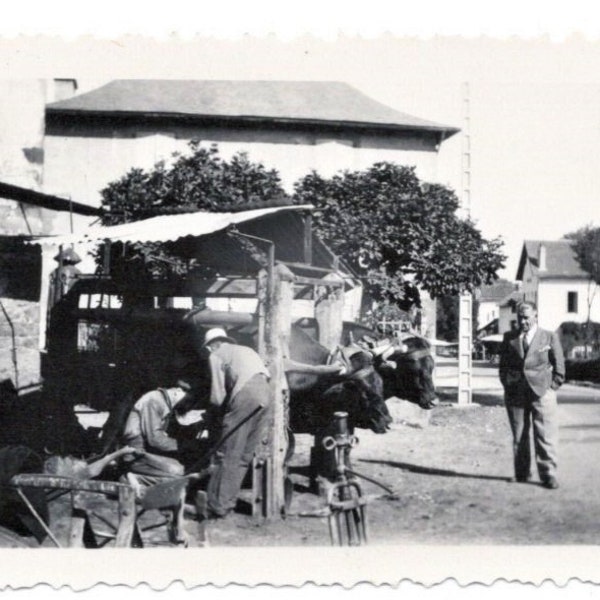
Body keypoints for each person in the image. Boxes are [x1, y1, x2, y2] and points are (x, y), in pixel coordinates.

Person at [202, 327, 271, 518]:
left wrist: (211, 417)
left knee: (225, 453)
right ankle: (228, 502)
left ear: (210, 346)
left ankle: (216, 505)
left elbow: (217, 397)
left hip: (245, 396)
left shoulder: (215, 355)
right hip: (266, 395)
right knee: (243, 456)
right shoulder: (247, 350)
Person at [499, 301, 565, 489]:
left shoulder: (549, 337)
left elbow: (559, 366)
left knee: (545, 434)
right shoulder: (509, 338)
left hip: (542, 393)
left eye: (526, 317)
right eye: (520, 317)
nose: (523, 321)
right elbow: (503, 367)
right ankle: (522, 473)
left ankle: (549, 475)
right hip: (516, 393)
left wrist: (551, 387)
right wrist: (507, 385)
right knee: (519, 435)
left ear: (535, 315)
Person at [121, 376, 200, 494]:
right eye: (188, 401)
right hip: (136, 455)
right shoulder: (154, 400)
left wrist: (197, 426)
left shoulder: (165, 403)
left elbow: (173, 430)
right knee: (179, 472)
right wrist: (185, 445)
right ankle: (131, 478)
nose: (187, 405)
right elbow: (155, 439)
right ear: (178, 392)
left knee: (186, 470)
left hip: (147, 453)